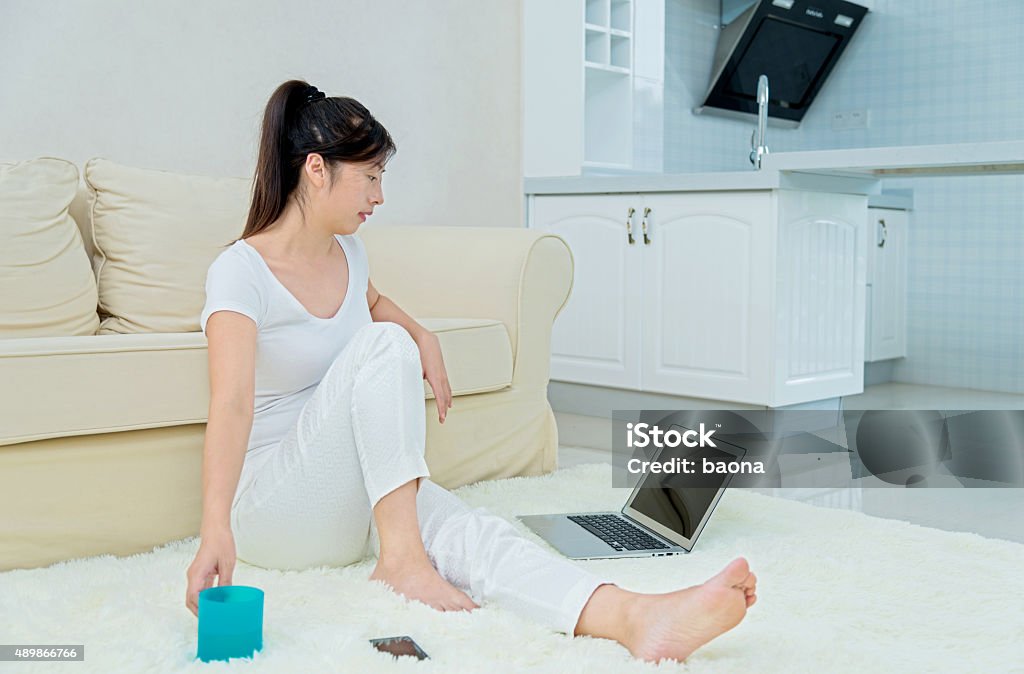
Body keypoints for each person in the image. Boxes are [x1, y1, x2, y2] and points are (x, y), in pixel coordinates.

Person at [183, 79, 757, 663]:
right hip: (274, 511)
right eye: (371, 177)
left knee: (471, 531)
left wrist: (425, 336)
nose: (379, 197)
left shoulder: (347, 254)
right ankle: (402, 562)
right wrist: (215, 530)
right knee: (385, 346)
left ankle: (634, 616)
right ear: (316, 170)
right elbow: (231, 403)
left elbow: (374, 303)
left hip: (346, 494)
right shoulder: (241, 269)